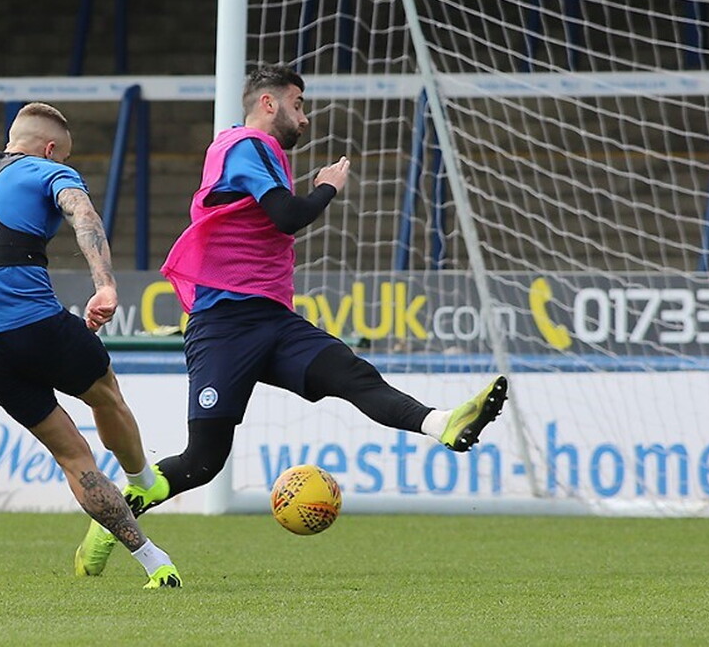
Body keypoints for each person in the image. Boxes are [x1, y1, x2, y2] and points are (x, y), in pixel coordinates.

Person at [115, 63, 508, 519]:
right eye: (297, 104)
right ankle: (112, 522)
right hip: (225, 324)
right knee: (203, 461)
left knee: (353, 374)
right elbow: (288, 216)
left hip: (273, 320)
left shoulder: (258, 153)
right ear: (268, 103)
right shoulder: (245, 145)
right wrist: (326, 188)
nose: (304, 118)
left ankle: (443, 423)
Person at [0, 102, 180, 587]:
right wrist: (105, 286)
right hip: (35, 325)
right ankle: (142, 480)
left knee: (72, 457)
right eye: (64, 158)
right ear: (51, 150)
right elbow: (82, 213)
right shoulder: (45, 172)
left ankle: (155, 562)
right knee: (105, 393)